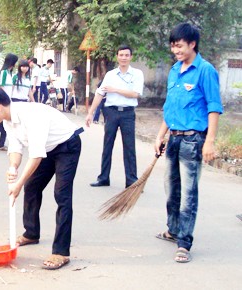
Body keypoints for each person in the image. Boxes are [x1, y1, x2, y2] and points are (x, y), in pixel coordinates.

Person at [0, 87, 83, 270]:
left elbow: (36, 155)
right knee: (32, 187)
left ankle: (61, 252)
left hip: (67, 146)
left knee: (62, 195)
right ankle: (31, 233)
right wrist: (13, 168)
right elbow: (15, 148)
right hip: (48, 149)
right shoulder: (7, 120)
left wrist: (18, 184)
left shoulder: (32, 117)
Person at [154, 23, 223, 263]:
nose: (176, 51)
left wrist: (209, 142)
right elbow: (170, 107)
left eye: (180, 46)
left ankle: (184, 242)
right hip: (173, 138)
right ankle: (173, 230)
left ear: (192, 44)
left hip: (193, 140)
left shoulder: (205, 70)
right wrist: (160, 135)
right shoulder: (174, 70)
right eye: (173, 46)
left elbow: (214, 107)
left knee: (188, 194)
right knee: (170, 189)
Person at [85, 44, 144, 188]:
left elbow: (135, 94)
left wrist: (115, 90)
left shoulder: (137, 74)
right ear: (117, 56)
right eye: (121, 55)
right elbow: (100, 93)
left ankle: (131, 181)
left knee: (129, 147)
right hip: (111, 112)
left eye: (126, 55)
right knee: (107, 145)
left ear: (131, 57)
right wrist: (90, 113)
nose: (123, 58)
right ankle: (103, 178)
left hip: (128, 113)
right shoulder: (110, 75)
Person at [0, 53, 18, 151]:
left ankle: (1, 144)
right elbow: (1, 87)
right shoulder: (4, 73)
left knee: (5, 124)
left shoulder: (10, 73)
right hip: (2, 102)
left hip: (8, 102)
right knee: (0, 124)